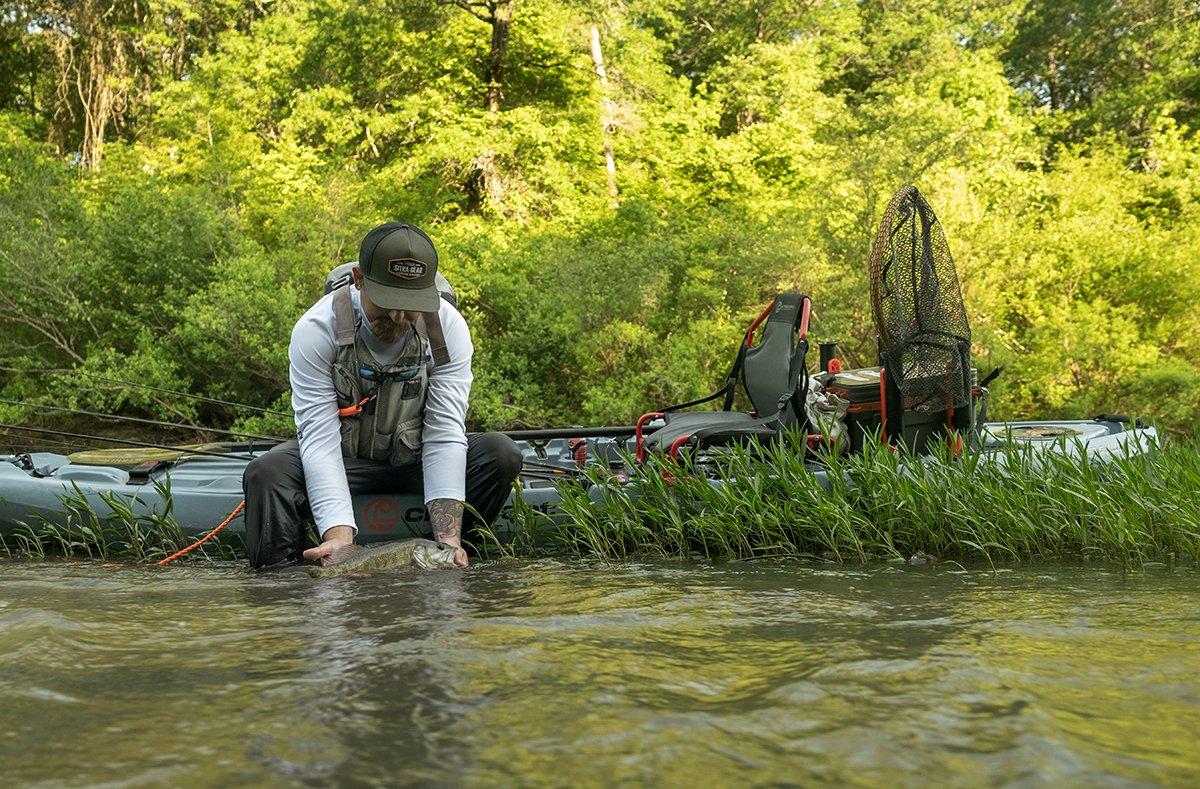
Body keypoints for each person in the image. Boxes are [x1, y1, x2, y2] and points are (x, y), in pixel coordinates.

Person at [242, 222, 522, 569]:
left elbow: (444, 435)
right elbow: (319, 441)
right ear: (359, 279)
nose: (398, 315)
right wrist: (341, 543)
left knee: (500, 452)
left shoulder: (448, 329)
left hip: (415, 462)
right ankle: (284, 582)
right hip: (347, 463)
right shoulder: (317, 329)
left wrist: (447, 544)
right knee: (267, 472)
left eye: (411, 304)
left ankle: (465, 555)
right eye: (388, 301)